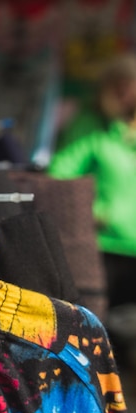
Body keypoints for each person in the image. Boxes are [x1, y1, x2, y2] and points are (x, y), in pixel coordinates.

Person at [47, 53, 136, 313]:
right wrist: (92, 210)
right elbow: (59, 175)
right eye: (118, 86)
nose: (125, 94)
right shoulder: (91, 128)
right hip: (106, 248)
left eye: (129, 85)